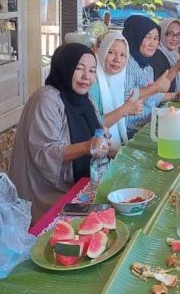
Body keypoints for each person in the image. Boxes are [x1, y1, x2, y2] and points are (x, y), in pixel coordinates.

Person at [9, 43, 109, 221]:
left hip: (84, 183)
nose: (87, 76)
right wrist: (87, 147)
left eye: (92, 70)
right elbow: (44, 153)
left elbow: (99, 134)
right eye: (79, 68)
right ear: (65, 67)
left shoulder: (87, 100)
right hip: (47, 194)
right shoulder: (47, 99)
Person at [122, 15, 177, 137]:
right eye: (148, 37)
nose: (153, 43)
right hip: (130, 132)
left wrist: (175, 95)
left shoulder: (147, 66)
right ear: (135, 36)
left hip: (147, 126)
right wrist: (155, 87)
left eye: (156, 38)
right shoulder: (126, 62)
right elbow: (126, 96)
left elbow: (150, 97)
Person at [88, 32, 144, 149]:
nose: (117, 59)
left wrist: (129, 110)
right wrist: (125, 109)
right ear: (101, 51)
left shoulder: (117, 78)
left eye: (123, 55)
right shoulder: (91, 81)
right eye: (111, 52)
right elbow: (92, 124)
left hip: (107, 146)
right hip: (92, 150)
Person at [150, 18, 180, 93]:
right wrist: (176, 68)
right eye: (170, 34)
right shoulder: (156, 55)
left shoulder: (175, 54)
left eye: (179, 34)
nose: (175, 38)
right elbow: (157, 90)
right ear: (161, 34)